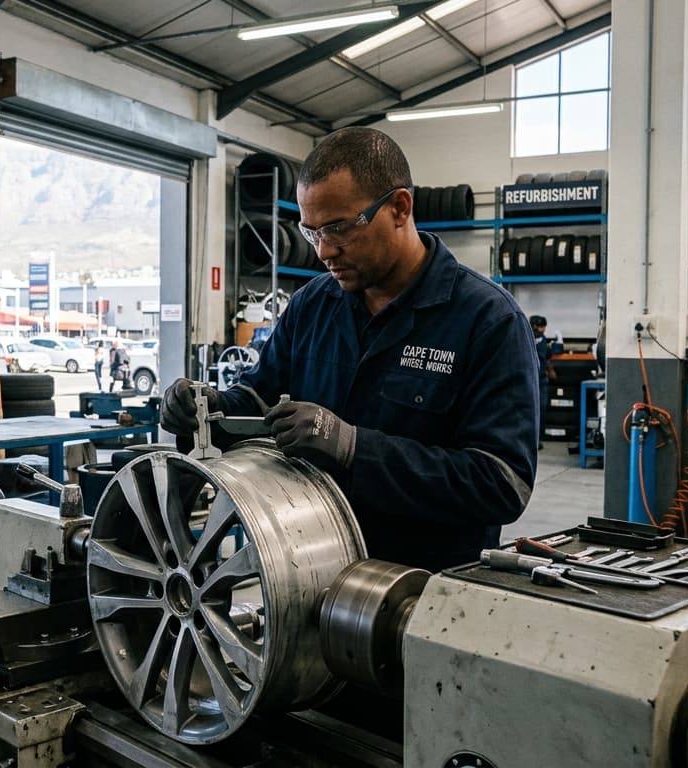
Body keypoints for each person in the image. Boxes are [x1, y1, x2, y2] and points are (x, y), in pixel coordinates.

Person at [160, 126, 540, 571]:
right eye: (311, 233)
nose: (324, 251)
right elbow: (261, 401)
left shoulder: (488, 320)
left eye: (339, 228)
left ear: (400, 208)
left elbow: (501, 484)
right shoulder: (312, 305)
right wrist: (209, 409)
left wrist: (355, 448)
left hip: (425, 585)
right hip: (310, 575)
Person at [529, 315, 556, 450]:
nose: (543, 329)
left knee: (541, 409)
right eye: (541, 327)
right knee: (528, 410)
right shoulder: (526, 338)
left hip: (541, 380)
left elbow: (547, 358)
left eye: (544, 327)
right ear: (534, 326)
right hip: (528, 379)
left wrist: (550, 371)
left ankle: (537, 439)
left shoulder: (544, 341)